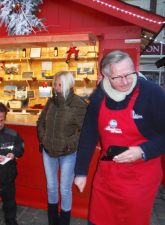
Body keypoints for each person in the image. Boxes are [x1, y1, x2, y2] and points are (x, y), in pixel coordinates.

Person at [74, 50, 165, 225]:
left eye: (129, 74)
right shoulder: (99, 97)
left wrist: (142, 150)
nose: (125, 82)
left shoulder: (152, 93)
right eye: (117, 77)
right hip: (107, 176)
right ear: (106, 76)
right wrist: (81, 172)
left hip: (140, 177)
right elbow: (88, 136)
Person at [37, 71, 88, 225]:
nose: (57, 88)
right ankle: (53, 221)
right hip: (48, 152)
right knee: (51, 187)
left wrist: (68, 144)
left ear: (69, 84)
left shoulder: (79, 104)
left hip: (68, 154)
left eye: (60, 85)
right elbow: (41, 122)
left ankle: (64, 222)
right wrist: (44, 139)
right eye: (55, 84)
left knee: (65, 190)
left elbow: (85, 131)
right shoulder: (51, 102)